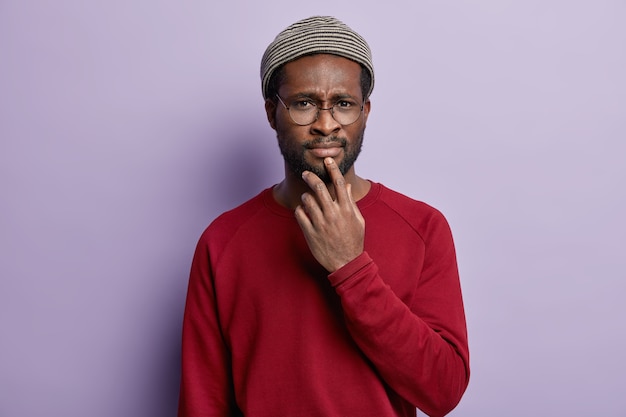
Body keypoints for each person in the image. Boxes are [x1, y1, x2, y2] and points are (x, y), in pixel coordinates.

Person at [178, 16, 469, 417]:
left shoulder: (423, 227)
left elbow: (444, 391)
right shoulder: (222, 241)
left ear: (365, 111)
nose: (326, 124)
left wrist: (351, 268)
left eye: (344, 104)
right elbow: (202, 403)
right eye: (304, 104)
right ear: (271, 112)